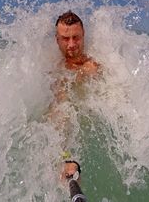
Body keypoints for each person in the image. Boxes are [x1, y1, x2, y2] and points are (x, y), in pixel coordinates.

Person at [52, 11, 99, 201]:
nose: (71, 45)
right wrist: (66, 156)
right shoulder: (53, 67)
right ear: (57, 40)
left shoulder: (93, 67)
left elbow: (121, 98)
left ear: (83, 35)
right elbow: (59, 110)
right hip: (63, 124)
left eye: (76, 37)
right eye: (65, 38)